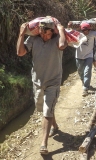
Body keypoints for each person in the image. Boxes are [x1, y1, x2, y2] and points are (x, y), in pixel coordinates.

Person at [16, 17, 68, 155]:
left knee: (46, 111)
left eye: (48, 33)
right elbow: (20, 52)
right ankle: (55, 126)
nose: (45, 36)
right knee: (45, 107)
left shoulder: (57, 39)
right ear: (39, 31)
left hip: (53, 81)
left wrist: (62, 30)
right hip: (37, 81)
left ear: (53, 32)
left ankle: (43, 144)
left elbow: (63, 46)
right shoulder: (33, 40)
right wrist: (21, 34)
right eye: (43, 33)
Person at [75, 22, 96, 96]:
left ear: (89, 29)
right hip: (78, 56)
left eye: (86, 30)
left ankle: (85, 88)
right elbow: (68, 34)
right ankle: (84, 81)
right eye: (83, 30)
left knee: (87, 71)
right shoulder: (77, 33)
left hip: (89, 55)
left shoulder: (93, 33)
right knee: (80, 71)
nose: (85, 32)